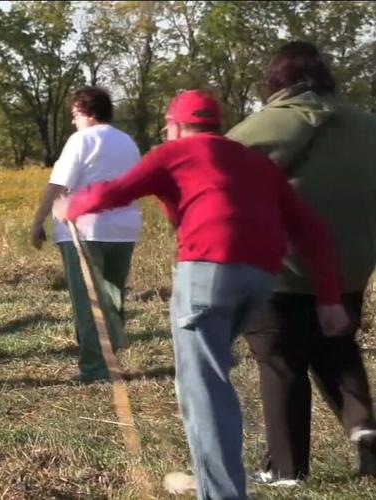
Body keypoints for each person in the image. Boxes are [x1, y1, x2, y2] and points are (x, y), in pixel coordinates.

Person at [52, 90, 349, 500]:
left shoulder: (173, 152)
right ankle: (213, 477)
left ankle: (222, 492)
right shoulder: (254, 161)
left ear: (175, 126)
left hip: (208, 269)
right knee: (211, 371)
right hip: (262, 278)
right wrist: (329, 298)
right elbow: (311, 230)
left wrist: (72, 205)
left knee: (203, 384)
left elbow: (115, 192)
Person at [227, 41, 376, 483]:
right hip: (348, 264)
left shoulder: (262, 125)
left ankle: (288, 470)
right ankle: (365, 431)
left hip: (278, 268)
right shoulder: (367, 127)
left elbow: (213, 175)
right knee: (338, 349)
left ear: (277, 81)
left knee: (280, 360)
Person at [30, 87, 141, 383]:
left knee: (88, 300)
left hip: (85, 229)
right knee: (113, 296)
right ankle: (110, 354)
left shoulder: (81, 140)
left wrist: (38, 221)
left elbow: (57, 185)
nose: (73, 121)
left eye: (74, 115)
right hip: (124, 228)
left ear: (86, 111)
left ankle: (95, 367)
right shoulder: (127, 142)